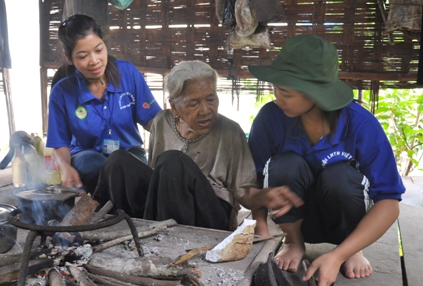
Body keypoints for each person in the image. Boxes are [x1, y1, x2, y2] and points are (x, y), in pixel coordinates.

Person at [247, 34, 406, 285]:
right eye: (276, 90)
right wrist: (261, 224)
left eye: (285, 92)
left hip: (345, 223)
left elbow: (389, 202)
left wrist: (338, 255)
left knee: (340, 177)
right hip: (293, 222)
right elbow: (252, 184)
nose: (277, 98)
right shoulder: (270, 118)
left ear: (315, 94)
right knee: (285, 164)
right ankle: (294, 243)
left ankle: (351, 248)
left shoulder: (361, 124)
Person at [92, 60, 303, 231]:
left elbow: (244, 192)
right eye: (194, 103)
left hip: (210, 216)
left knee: (172, 162)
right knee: (118, 162)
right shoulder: (161, 122)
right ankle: (108, 230)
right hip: (162, 208)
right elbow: (154, 177)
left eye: (211, 99)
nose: (205, 110)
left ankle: (166, 241)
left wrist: (265, 196)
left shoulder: (230, 132)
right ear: (174, 106)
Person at [46, 14, 161, 194]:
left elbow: (152, 120)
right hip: (87, 158)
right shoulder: (62, 92)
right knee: (94, 165)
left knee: (123, 166)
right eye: (83, 56)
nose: (94, 61)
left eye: (99, 50)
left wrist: (177, 128)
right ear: (70, 58)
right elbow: (60, 142)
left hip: (130, 155)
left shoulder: (128, 73)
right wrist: (65, 168)